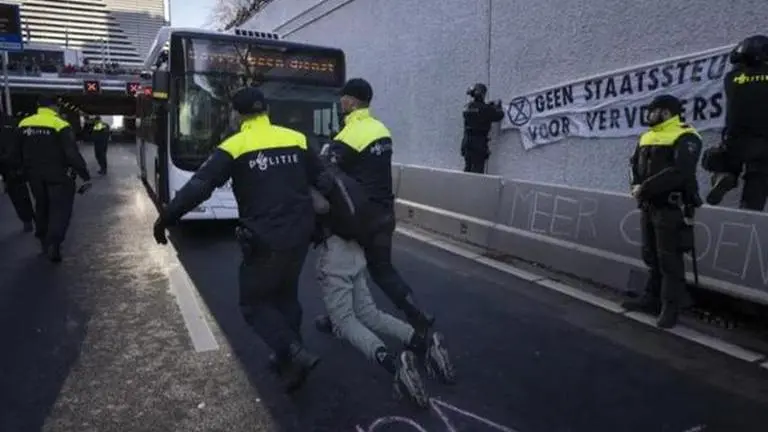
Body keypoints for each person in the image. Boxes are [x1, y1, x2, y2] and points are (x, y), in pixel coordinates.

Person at [152, 86, 332, 393]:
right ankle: (290, 360)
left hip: (264, 241)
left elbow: (199, 186)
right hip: (300, 236)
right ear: (266, 111)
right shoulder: (298, 139)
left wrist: (166, 218)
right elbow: (325, 182)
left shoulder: (234, 146)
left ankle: (292, 350)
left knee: (253, 304)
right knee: (286, 297)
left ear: (238, 114)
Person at [315, 78, 455, 384]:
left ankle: (340, 318)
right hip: (384, 214)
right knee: (380, 269)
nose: (341, 104)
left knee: (346, 262)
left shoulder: (350, 134)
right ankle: (416, 315)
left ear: (351, 102)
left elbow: (326, 172)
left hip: (359, 216)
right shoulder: (381, 129)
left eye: (343, 100)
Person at [313, 161, 434, 407]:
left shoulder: (315, 183)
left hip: (334, 255)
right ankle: (420, 341)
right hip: (356, 250)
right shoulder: (342, 177)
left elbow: (319, 207)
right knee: (370, 314)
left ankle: (392, 364)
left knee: (345, 322)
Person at [624, 94, 703, 329]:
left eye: (653, 111)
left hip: (670, 207)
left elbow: (680, 172)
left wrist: (644, 188)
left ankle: (671, 307)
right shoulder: (647, 136)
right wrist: (635, 187)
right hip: (648, 205)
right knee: (650, 254)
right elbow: (633, 165)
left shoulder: (686, 135)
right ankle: (651, 298)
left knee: (669, 260)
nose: (648, 115)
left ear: (666, 112)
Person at [13, 97, 91, 262]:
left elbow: (16, 151)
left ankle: (43, 240)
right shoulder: (60, 124)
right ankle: (54, 243)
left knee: (42, 206)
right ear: (54, 107)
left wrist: (19, 172)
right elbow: (71, 153)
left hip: (34, 175)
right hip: (58, 175)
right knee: (60, 209)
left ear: (38, 106)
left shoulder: (23, 124)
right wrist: (84, 175)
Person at [703, 35, 768, 211]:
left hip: (736, 137)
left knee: (722, 155)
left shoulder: (731, 78)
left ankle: (725, 174)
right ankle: (750, 208)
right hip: (765, 141)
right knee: (759, 174)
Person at [0, 114, 35, 232]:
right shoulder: (13, 122)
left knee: (17, 194)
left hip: (9, 166)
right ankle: (30, 218)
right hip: (18, 165)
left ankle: (28, 218)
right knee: (22, 193)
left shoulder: (9, 125)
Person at [461, 83, 505, 174]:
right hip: (479, 143)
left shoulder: (466, 107)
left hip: (467, 142)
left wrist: (488, 106)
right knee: (478, 172)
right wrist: (497, 107)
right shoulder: (485, 109)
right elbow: (499, 115)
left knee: (467, 169)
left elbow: (478, 110)